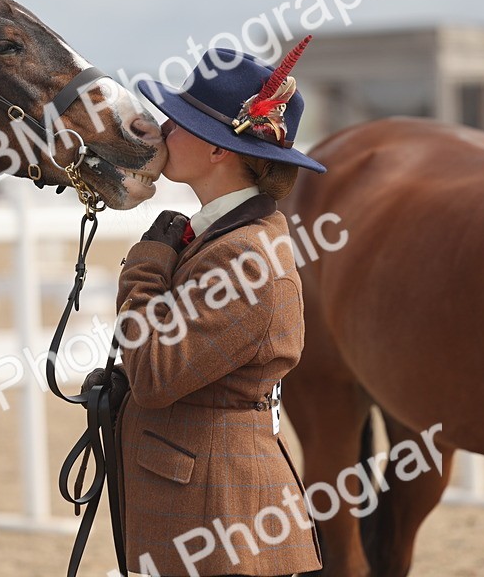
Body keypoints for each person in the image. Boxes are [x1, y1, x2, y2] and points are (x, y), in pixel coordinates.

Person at [102, 42, 325, 577]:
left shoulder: (243, 258)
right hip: (206, 511)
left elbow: (155, 373)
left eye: (178, 123)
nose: (164, 131)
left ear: (220, 149)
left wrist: (145, 266)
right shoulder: (223, 237)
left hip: (219, 521)